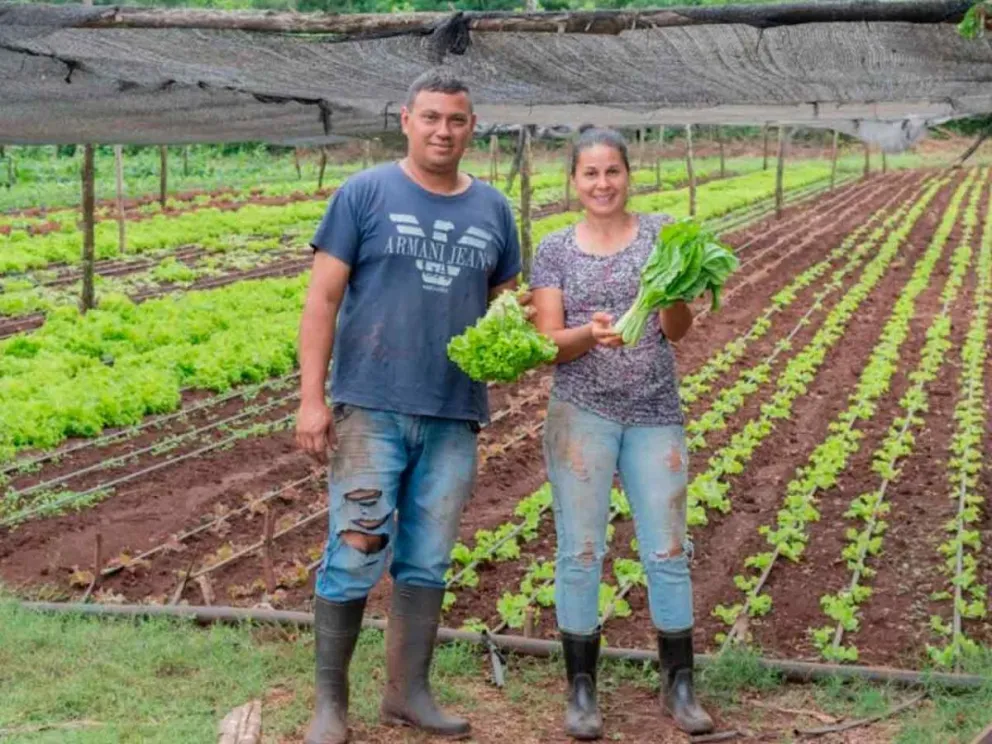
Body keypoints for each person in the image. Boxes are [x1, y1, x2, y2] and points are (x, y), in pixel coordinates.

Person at [294, 70, 524, 744]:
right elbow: (323, 299)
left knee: (427, 557)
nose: (442, 131)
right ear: (405, 119)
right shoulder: (365, 193)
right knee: (356, 546)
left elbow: (509, 305)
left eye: (455, 120)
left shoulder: (494, 211)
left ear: (471, 127)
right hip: (372, 404)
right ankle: (330, 707)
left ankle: (407, 694)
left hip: (454, 412)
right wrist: (313, 398)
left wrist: (542, 336)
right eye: (430, 118)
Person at [529, 126, 714, 739]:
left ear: (628, 175)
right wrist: (590, 333)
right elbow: (551, 346)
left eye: (613, 172)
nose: (602, 184)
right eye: (590, 174)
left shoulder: (662, 234)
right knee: (580, 551)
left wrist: (675, 296)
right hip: (581, 412)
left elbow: (678, 331)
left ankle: (678, 685)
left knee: (666, 550)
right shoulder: (554, 248)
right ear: (574, 181)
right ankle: (581, 690)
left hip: (655, 411)